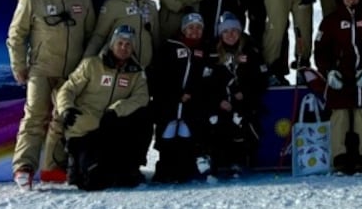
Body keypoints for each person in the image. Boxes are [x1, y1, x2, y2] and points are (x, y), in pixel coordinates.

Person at [6, 0, 96, 189]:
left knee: (62, 119)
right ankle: (24, 168)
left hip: (71, 73)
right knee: (35, 115)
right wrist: (19, 65)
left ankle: (53, 169)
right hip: (41, 69)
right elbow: (16, 34)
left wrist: (85, 69)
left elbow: (91, 36)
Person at [57, 25, 151, 190]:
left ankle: (130, 168)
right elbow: (68, 89)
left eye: (128, 44)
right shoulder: (91, 65)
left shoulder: (136, 72)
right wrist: (66, 108)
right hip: (87, 128)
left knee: (144, 116)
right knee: (92, 182)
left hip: (111, 127)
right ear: (112, 44)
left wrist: (117, 110)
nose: (124, 48)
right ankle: (77, 164)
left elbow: (141, 97)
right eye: (120, 43)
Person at [314, 0, 362, 175]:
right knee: (340, 114)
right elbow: (320, 51)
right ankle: (340, 159)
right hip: (340, 77)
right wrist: (329, 71)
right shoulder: (331, 21)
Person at [203, 12, 269, 178]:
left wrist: (244, 94)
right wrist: (219, 100)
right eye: (226, 31)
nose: (230, 35)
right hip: (218, 102)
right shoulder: (212, 50)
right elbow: (205, 82)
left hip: (244, 102)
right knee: (214, 121)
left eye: (234, 31)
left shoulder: (251, 49)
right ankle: (215, 161)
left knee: (241, 121)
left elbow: (261, 79)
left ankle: (238, 161)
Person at [150, 13, 210, 184]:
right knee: (167, 133)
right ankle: (164, 169)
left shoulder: (204, 49)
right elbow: (159, 76)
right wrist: (175, 94)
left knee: (187, 134)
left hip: (191, 105)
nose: (195, 31)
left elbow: (206, 78)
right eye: (191, 27)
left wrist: (192, 93)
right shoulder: (170, 47)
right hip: (168, 103)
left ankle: (184, 168)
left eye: (198, 28)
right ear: (183, 29)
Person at [85, 0, 159, 68]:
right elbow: (99, 36)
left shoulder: (151, 6)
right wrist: (86, 61)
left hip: (145, 67)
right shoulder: (113, 4)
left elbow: (156, 37)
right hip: (120, 65)